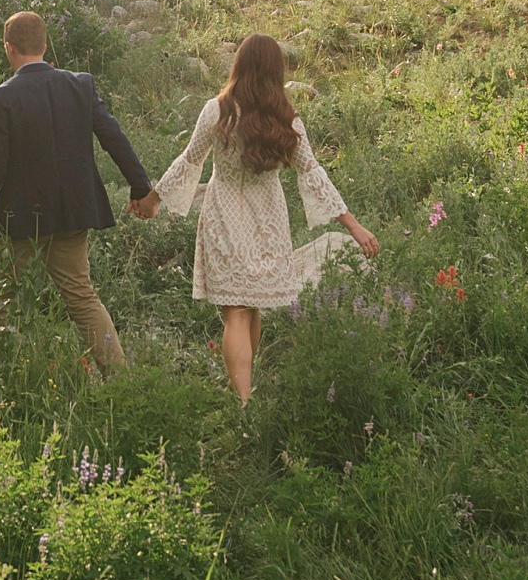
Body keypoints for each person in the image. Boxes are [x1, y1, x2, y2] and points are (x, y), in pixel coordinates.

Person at [154, 32, 380, 402]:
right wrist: (353, 226)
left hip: (224, 212)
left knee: (236, 311)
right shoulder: (287, 119)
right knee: (250, 305)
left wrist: (153, 198)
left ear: (238, 66)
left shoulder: (218, 110)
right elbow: (314, 174)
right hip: (269, 218)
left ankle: (243, 400)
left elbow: (190, 159)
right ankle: (244, 389)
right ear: (278, 72)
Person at [0, 9, 158, 378]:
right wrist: (141, 187)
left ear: (9, 49)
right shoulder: (80, 85)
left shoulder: (2, 98)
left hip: (19, 220)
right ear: (44, 45)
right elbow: (114, 139)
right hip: (73, 211)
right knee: (82, 297)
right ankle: (120, 379)